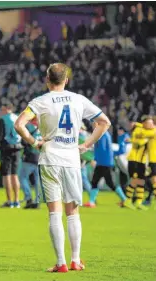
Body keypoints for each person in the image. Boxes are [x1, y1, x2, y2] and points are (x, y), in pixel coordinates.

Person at [14, 63, 111, 272]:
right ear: (66, 79)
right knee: (73, 213)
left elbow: (19, 124)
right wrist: (86, 144)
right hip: (72, 159)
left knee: (54, 213)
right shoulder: (79, 99)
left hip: (50, 157)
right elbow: (104, 122)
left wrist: (34, 142)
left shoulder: (39, 102)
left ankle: (61, 263)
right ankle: (75, 260)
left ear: (47, 80)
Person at [83, 124, 126, 208]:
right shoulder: (105, 134)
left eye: (95, 125)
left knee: (96, 181)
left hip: (103, 163)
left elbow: (102, 149)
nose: (93, 126)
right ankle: (124, 199)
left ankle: (91, 202)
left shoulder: (101, 135)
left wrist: (95, 159)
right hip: (106, 162)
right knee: (108, 183)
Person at [123, 116, 155, 210]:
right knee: (135, 180)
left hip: (142, 161)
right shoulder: (138, 130)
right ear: (144, 124)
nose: (151, 125)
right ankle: (127, 201)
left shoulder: (143, 129)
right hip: (134, 159)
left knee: (141, 181)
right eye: (149, 123)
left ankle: (138, 202)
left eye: (152, 123)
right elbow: (139, 141)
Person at [0, 102, 23, 208]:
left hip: (6, 148)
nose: (1, 112)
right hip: (17, 147)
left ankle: (9, 201)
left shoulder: (3, 119)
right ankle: (17, 201)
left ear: (6, 109)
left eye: (2, 110)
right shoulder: (17, 118)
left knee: (6, 175)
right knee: (15, 175)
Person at [19, 119, 41, 209]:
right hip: (39, 156)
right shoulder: (42, 128)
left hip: (30, 156)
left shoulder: (28, 127)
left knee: (23, 177)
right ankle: (37, 200)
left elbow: (23, 141)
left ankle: (28, 198)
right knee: (37, 181)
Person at [114, 127, 130, 194]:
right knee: (124, 178)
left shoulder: (124, 137)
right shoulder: (123, 137)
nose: (118, 133)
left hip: (125, 160)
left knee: (126, 178)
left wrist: (113, 153)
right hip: (124, 160)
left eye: (119, 131)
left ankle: (127, 196)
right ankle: (126, 196)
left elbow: (122, 150)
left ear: (122, 131)